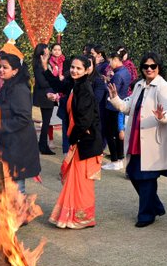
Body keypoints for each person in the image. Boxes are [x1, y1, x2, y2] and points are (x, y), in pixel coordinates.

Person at [108, 52, 167, 227]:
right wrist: (115, 98)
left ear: (159, 67)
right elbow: (127, 107)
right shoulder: (138, 85)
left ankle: (146, 215)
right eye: (146, 66)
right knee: (133, 173)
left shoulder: (164, 86)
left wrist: (162, 116)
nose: (149, 69)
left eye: (152, 66)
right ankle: (156, 206)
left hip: (153, 141)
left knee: (147, 178)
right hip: (136, 138)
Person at [49, 55, 103, 229]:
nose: (74, 70)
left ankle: (81, 218)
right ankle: (71, 216)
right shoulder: (75, 84)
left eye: (78, 68)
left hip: (85, 141)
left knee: (81, 182)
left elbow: (85, 120)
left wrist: (74, 140)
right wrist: (43, 68)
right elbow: (58, 85)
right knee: (74, 179)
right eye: (72, 67)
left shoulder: (85, 88)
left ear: (87, 70)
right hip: (79, 140)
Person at [0, 53, 41, 199]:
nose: (0, 70)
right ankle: (12, 213)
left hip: (18, 144)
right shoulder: (8, 85)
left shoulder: (19, 89)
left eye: (5, 67)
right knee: (8, 180)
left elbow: (23, 118)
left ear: (15, 71)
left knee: (16, 182)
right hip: (9, 142)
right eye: (0, 66)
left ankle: (19, 214)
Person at [102, 49, 132, 169]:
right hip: (121, 105)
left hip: (113, 107)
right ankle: (119, 159)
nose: (109, 64)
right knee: (118, 134)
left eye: (111, 61)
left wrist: (104, 83)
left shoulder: (118, 75)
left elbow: (113, 92)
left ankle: (115, 160)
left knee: (111, 134)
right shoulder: (125, 71)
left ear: (116, 60)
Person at [32, 43, 60, 155]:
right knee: (46, 122)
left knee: (46, 121)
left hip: (47, 94)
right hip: (45, 96)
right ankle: (43, 145)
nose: (49, 51)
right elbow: (42, 82)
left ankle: (43, 144)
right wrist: (54, 81)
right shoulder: (38, 65)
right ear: (42, 51)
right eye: (47, 49)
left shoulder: (45, 63)